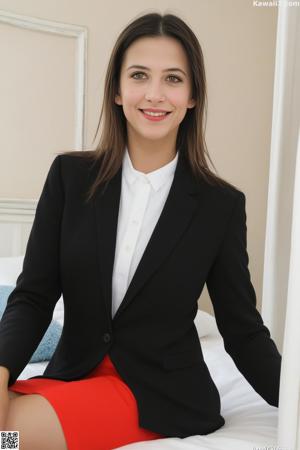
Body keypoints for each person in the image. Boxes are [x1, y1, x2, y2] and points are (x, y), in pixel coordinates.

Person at [0, 11, 282, 450]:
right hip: (76, 374)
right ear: (117, 90)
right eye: (139, 76)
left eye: (173, 79)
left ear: (192, 95)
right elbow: (33, 297)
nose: (155, 94)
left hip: (160, 394)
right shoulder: (69, 178)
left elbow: (243, 329)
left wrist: (296, 399)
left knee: (8, 438)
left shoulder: (220, 206)